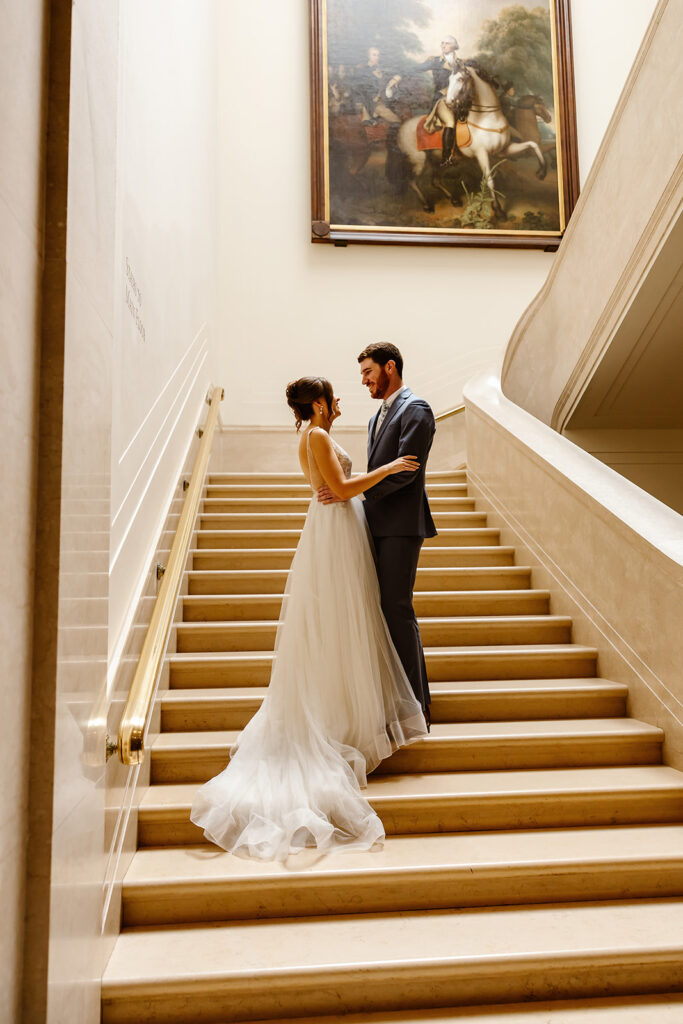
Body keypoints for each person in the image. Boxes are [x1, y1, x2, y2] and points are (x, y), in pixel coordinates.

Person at [190, 377, 428, 861]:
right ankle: (338, 722)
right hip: (334, 530)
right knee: (342, 624)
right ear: (318, 404)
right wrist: (388, 469)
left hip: (336, 528)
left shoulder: (313, 434)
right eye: (335, 397)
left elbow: (335, 490)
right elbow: (339, 488)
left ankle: (343, 714)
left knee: (343, 627)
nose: (341, 402)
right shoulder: (316, 435)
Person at [318, 344, 436, 726]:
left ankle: (418, 706)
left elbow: (407, 471)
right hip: (376, 524)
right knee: (381, 611)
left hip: (401, 526)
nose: (365, 381)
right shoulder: (374, 420)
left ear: (390, 367)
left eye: (369, 372)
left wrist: (354, 491)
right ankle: (395, 700)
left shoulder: (416, 409)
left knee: (397, 608)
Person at [417, 34, 462, 165]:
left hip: (458, 100)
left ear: (454, 46)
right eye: (442, 43)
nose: (443, 45)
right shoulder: (435, 61)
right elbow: (417, 69)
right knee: (450, 122)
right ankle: (446, 158)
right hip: (442, 99)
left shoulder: (460, 63)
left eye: (447, 43)